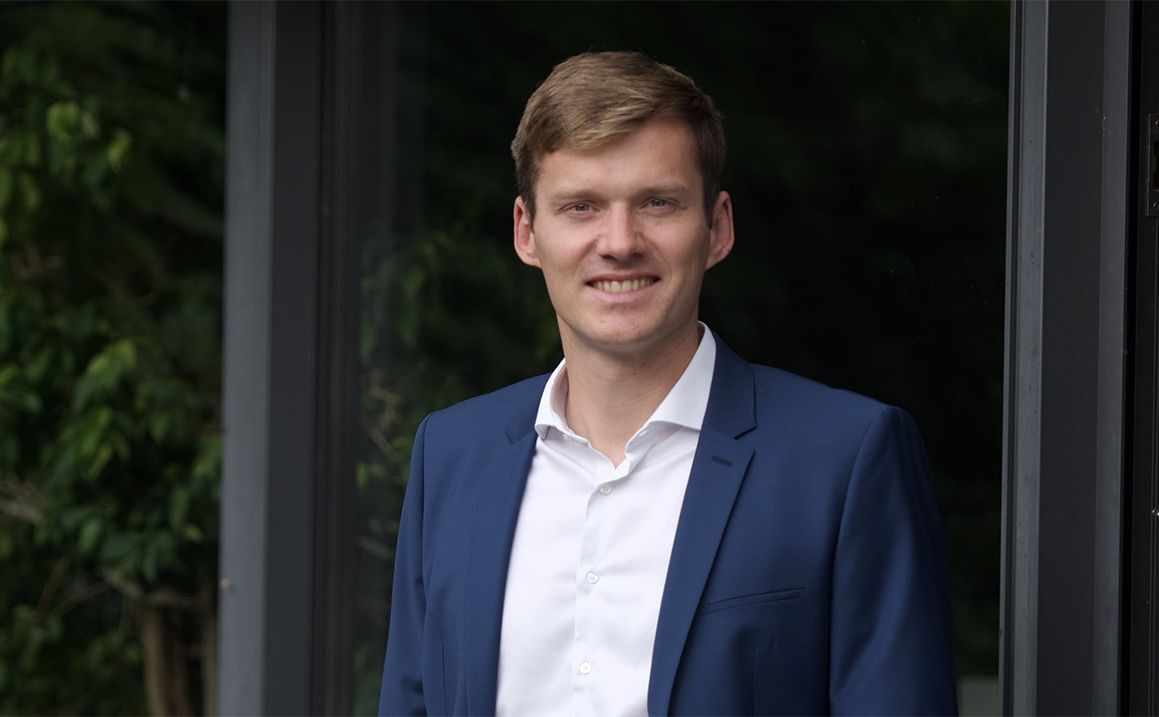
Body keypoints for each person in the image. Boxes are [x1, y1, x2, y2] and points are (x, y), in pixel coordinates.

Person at [379, 51, 959, 716]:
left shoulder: (846, 457)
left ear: (718, 228)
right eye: (580, 207)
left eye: (658, 202)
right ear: (527, 232)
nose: (619, 241)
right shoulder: (452, 454)